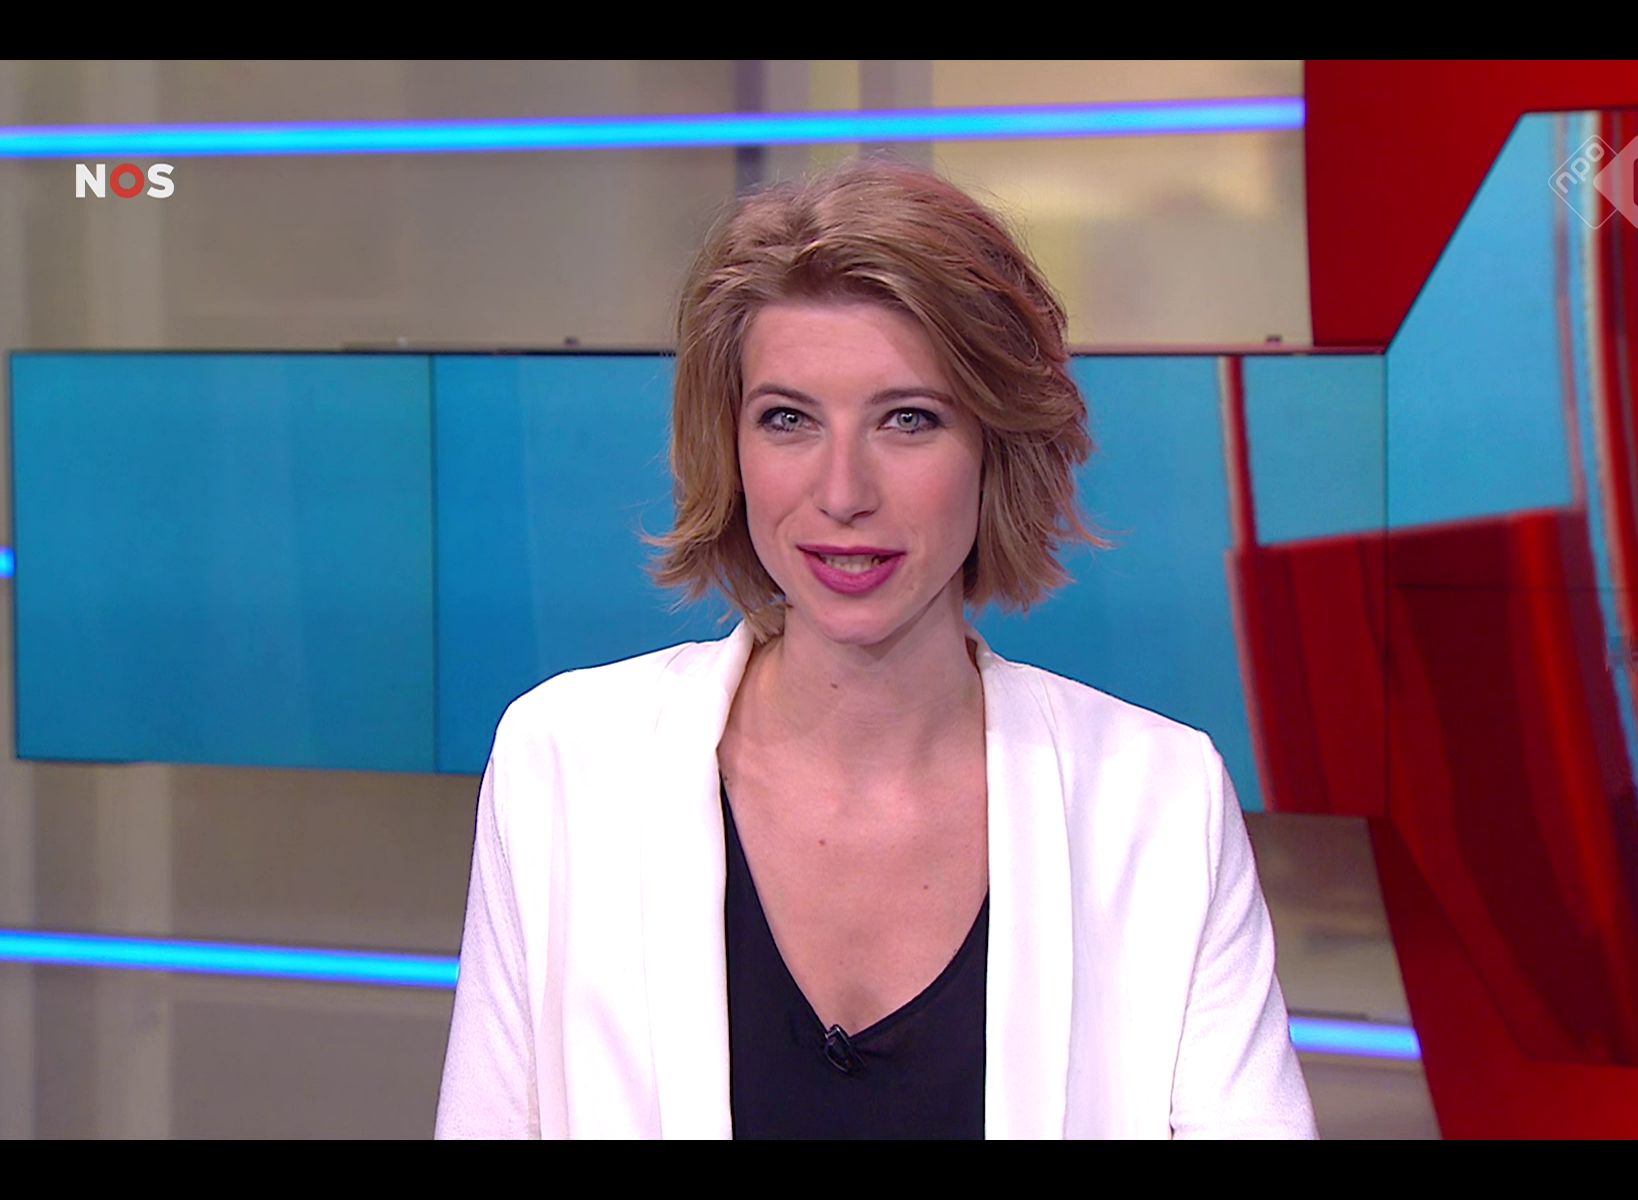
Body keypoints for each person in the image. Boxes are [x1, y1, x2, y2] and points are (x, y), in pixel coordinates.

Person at [434, 157, 1317, 1139]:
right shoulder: (566, 764)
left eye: (908, 420)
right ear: (731, 447)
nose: (843, 492)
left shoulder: (1158, 798)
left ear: (995, 446)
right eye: (788, 419)